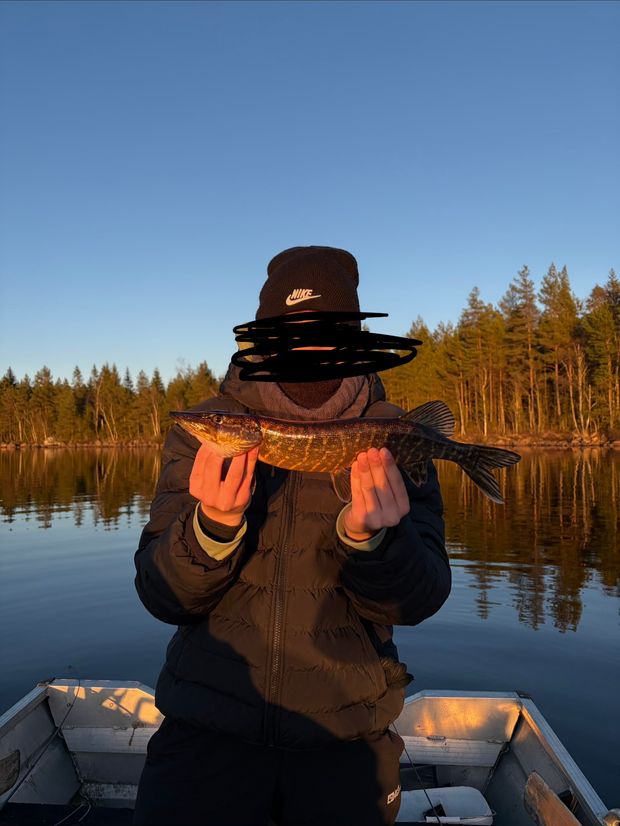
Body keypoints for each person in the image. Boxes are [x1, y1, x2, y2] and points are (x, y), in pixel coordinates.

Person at [133, 246, 451, 826]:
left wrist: (373, 544)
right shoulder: (210, 431)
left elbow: (420, 600)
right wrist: (211, 529)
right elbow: (162, 596)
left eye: (327, 330)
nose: (307, 345)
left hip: (347, 744)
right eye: (290, 329)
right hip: (205, 732)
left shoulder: (393, 433)